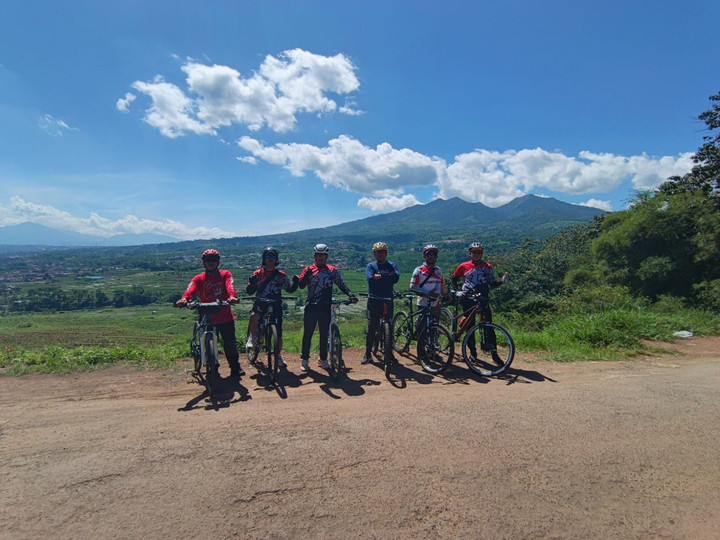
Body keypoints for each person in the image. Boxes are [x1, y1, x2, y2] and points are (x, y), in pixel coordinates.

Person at [174, 249, 243, 377]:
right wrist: (184, 299)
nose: (211, 263)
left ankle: (235, 366)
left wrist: (232, 297)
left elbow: (230, 287)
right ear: (204, 263)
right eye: (208, 260)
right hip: (207, 317)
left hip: (225, 316)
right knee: (206, 344)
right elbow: (190, 290)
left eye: (214, 260)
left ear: (218, 262)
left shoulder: (225, 274)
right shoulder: (199, 278)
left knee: (230, 343)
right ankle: (211, 365)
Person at [294, 243, 358, 372]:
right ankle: (305, 360)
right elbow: (301, 286)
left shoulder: (332, 270)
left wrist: (351, 295)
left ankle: (323, 359)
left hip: (325, 307)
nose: (320, 257)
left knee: (324, 335)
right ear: (314, 256)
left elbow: (341, 284)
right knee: (308, 334)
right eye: (318, 255)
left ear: (326, 256)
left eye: (323, 255)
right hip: (311, 306)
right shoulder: (308, 269)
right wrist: (305, 277)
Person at [451, 242, 508, 363]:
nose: (476, 254)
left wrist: (501, 281)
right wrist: (457, 291)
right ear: (470, 253)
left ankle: (494, 354)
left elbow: (491, 283)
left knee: (489, 326)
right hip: (467, 299)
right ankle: (472, 352)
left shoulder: (487, 266)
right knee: (469, 326)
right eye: (474, 252)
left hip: (483, 299)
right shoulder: (463, 266)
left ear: (481, 254)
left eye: (479, 252)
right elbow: (454, 279)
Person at [245, 247, 298, 369]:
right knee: (253, 317)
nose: (270, 259)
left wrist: (295, 283)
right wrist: (252, 284)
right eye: (268, 256)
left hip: (275, 304)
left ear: (276, 259)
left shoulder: (281, 275)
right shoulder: (257, 274)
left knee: (278, 333)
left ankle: (278, 355)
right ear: (264, 259)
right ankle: (252, 337)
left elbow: (289, 289)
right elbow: (249, 291)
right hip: (261, 302)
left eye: (273, 256)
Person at [362, 242, 400, 364]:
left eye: (383, 252)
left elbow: (396, 278)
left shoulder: (392, 265)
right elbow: (370, 279)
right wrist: (387, 276)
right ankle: (367, 353)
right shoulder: (371, 266)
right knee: (372, 327)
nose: (381, 254)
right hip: (374, 299)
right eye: (378, 252)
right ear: (375, 254)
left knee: (389, 327)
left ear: (386, 253)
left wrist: (379, 277)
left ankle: (389, 353)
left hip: (388, 300)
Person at [409, 244, 447, 342]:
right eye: (429, 254)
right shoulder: (418, 270)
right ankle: (422, 349)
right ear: (424, 256)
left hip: (436, 303)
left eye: (433, 254)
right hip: (423, 302)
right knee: (423, 329)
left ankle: (433, 347)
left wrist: (445, 295)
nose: (431, 257)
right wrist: (427, 293)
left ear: (436, 257)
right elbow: (412, 286)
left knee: (434, 327)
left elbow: (441, 285)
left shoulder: (438, 270)